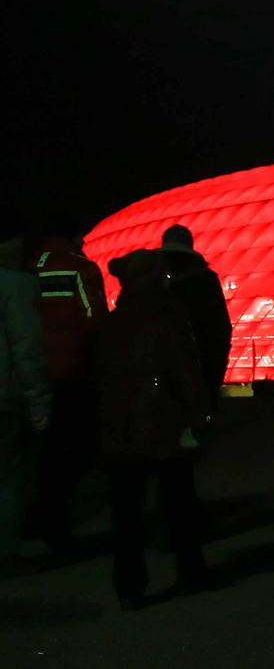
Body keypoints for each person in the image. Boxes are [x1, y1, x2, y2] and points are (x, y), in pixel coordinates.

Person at [96, 249, 221, 609]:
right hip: (163, 420)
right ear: (154, 278)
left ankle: (129, 587)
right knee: (179, 502)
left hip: (120, 427)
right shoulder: (168, 315)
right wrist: (200, 415)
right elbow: (184, 370)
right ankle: (191, 573)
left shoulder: (113, 319)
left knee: (127, 511)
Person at [28, 220, 109, 552]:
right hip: (72, 370)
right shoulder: (80, 268)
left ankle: (35, 521)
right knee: (71, 449)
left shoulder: (28, 269)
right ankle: (57, 526)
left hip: (32, 371)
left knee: (38, 452)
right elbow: (95, 321)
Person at [1, 218, 52, 575]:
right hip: (4, 401)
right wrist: (39, 403)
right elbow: (27, 347)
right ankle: (5, 557)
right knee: (8, 479)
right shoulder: (16, 286)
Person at [158, 225, 232, 409]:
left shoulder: (158, 284)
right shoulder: (207, 280)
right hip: (202, 359)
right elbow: (221, 328)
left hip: (178, 360)